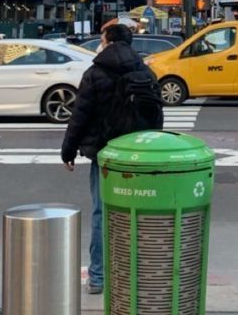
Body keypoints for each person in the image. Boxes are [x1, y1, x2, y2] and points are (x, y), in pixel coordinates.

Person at [60, 21, 163, 294]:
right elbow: (156, 115)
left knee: (101, 212)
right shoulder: (146, 72)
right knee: (138, 213)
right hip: (140, 154)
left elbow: (79, 116)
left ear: (107, 42)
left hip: (106, 155)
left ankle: (98, 277)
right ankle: (136, 275)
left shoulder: (95, 74)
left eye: (102, 39)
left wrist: (68, 151)